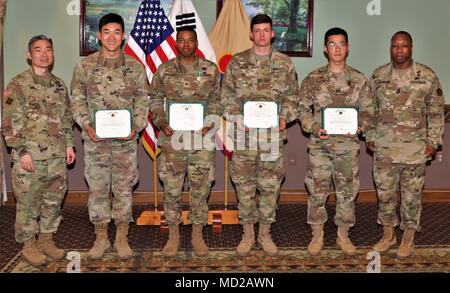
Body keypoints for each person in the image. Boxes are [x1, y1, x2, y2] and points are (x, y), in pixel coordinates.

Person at [70, 13, 149, 259]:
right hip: (96, 142)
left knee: (124, 189)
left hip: (125, 143)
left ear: (123, 36)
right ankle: (101, 237)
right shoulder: (84, 67)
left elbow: (143, 101)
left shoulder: (135, 68)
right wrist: (86, 124)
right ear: (99, 36)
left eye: (117, 32)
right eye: (107, 32)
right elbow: (77, 101)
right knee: (98, 189)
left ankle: (122, 236)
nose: (112, 37)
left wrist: (136, 126)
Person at [221, 14, 299, 256]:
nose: (262, 34)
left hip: (271, 138)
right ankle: (247, 232)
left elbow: (292, 96)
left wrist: (285, 116)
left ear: (273, 34)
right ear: (251, 34)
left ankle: (265, 232)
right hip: (244, 137)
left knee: (270, 187)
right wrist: (237, 116)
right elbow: (226, 97)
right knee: (244, 187)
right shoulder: (237, 62)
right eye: (258, 30)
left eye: (267, 30)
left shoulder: (285, 63)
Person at [298, 27, 374, 256]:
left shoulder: (359, 79)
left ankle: (343, 235)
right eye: (332, 44)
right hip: (320, 147)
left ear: (348, 47)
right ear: (325, 48)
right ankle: (317, 234)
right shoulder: (313, 79)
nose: (337, 48)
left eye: (341, 44)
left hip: (348, 147)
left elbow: (369, 111)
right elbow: (302, 110)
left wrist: (361, 126)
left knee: (347, 192)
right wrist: (313, 127)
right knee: (317, 191)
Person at [368, 31, 445, 258]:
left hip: (415, 150)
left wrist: (433, 141)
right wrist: (371, 136)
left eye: (404, 46)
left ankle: (408, 237)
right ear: (390, 48)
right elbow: (369, 111)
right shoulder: (379, 76)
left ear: (412, 48)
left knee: (411, 196)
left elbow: (436, 112)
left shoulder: (427, 77)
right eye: (395, 46)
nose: (399, 50)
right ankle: (388, 235)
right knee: (385, 195)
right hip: (385, 149)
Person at [2, 35, 76, 266]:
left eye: (48, 50)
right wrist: (21, 150)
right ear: (29, 55)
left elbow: (66, 119)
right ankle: (28, 245)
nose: (44, 54)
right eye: (38, 50)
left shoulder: (59, 85)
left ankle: (46, 240)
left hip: (56, 156)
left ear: (53, 54)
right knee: (28, 202)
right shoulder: (18, 84)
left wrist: (69, 145)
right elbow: (9, 122)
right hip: (30, 158)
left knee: (53, 201)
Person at [149, 27, 221, 257]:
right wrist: (161, 122)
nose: (186, 44)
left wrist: (209, 122)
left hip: (201, 141)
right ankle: (174, 234)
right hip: (173, 141)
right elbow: (155, 100)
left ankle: (197, 233)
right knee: (172, 189)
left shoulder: (210, 69)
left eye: (190, 40)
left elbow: (217, 101)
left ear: (196, 42)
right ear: (176, 43)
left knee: (200, 189)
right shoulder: (164, 70)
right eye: (182, 40)